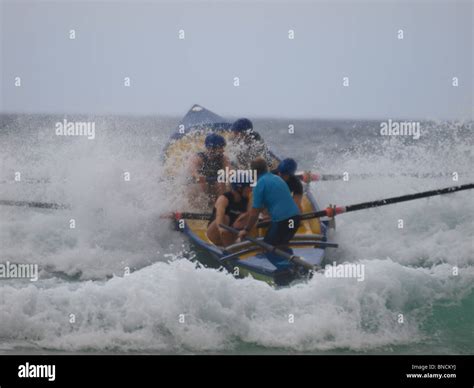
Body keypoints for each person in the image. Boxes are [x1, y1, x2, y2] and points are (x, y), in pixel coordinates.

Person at [238, 157, 300, 246]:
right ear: (266, 168)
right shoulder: (277, 178)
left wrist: (246, 230)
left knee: (268, 248)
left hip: (283, 222)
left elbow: (255, 213)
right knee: (282, 245)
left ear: (253, 172)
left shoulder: (259, 184)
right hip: (294, 221)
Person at [206, 181, 252, 246]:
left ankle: (238, 243)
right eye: (248, 187)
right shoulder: (224, 199)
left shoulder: (247, 199)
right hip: (214, 234)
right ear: (239, 188)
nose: (250, 189)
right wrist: (222, 230)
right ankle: (228, 247)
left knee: (248, 217)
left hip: (230, 232)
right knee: (225, 219)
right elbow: (219, 221)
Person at [189, 133, 231, 201]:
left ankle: (217, 207)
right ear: (211, 148)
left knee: (222, 184)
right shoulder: (198, 158)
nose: (223, 150)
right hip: (197, 184)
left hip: (214, 182)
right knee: (202, 184)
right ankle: (201, 209)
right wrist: (198, 176)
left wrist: (228, 175)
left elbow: (229, 173)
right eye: (220, 147)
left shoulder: (224, 158)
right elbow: (193, 172)